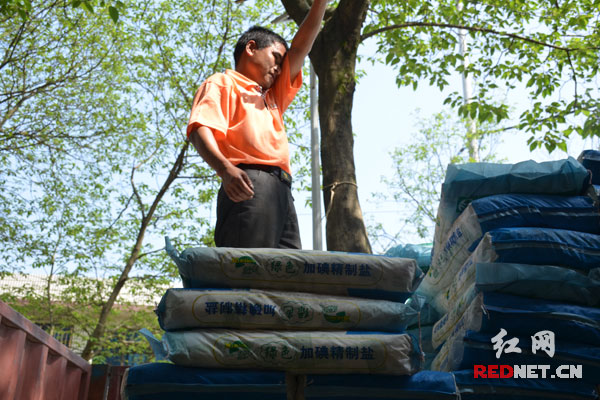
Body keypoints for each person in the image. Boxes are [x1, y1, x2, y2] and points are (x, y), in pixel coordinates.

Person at [187, 1, 327, 249]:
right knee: (249, 265)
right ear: (251, 48)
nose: (278, 68)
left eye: (282, 64)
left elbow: (301, 47)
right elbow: (200, 128)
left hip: (282, 190)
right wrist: (224, 169)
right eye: (275, 57)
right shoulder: (223, 83)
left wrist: (321, 3)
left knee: (286, 272)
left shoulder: (272, 96)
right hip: (250, 182)